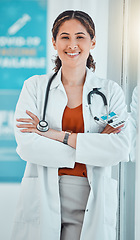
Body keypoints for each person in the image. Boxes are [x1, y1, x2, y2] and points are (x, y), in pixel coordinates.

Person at [11, 10, 130, 240]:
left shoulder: (110, 91)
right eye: (64, 37)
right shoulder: (34, 87)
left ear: (92, 42)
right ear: (54, 42)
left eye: (80, 37)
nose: (72, 44)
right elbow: (27, 146)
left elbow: (120, 149)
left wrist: (55, 135)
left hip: (91, 195)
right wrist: (93, 146)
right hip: (44, 194)